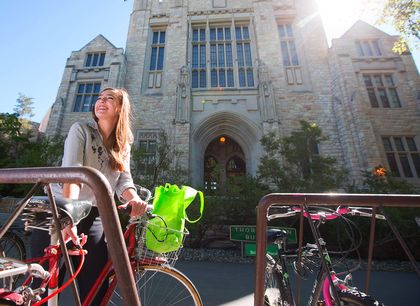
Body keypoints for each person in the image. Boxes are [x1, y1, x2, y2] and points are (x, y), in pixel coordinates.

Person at [31, 87, 147, 305]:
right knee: (43, 286)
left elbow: (123, 180)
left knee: (94, 287)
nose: (100, 102)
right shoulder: (80, 130)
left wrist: (133, 199)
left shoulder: (124, 142)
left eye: (109, 98)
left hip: (94, 213)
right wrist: (69, 218)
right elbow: (72, 175)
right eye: (99, 98)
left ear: (120, 107)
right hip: (59, 209)